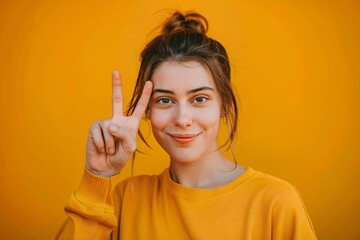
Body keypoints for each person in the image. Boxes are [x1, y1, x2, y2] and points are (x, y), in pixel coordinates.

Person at [55, 11, 317, 240]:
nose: (182, 119)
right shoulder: (126, 200)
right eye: (165, 100)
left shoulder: (276, 203)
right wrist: (97, 177)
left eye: (199, 99)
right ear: (147, 110)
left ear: (224, 104)